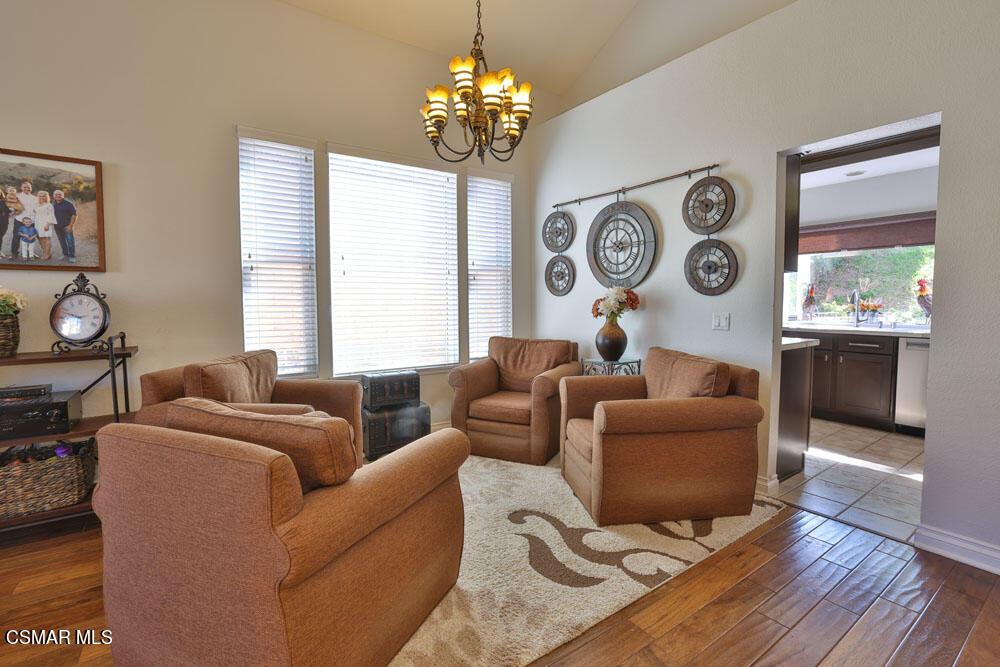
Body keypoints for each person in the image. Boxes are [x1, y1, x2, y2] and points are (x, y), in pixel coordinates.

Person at [51, 189, 77, 263]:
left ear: (63, 195)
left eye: (60, 194)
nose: (58, 196)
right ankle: (65, 254)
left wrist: (70, 226)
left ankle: (72, 256)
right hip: (57, 227)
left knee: (70, 241)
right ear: (53, 196)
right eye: (56, 194)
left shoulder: (68, 204)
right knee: (62, 241)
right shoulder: (53, 203)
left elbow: (74, 215)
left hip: (67, 226)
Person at [12, 182, 35, 258]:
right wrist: (15, 212)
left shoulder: (34, 198)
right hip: (19, 219)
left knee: (29, 237)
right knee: (16, 236)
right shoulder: (17, 196)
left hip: (31, 221)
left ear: (31, 188)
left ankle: (28, 253)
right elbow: (11, 207)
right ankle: (14, 253)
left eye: (28, 187)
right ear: (21, 188)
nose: (26, 188)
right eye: (24, 187)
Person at [33, 190, 56, 260]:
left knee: (46, 238)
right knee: (41, 238)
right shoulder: (36, 204)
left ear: (46, 197)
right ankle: (46, 252)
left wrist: (48, 224)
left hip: (46, 223)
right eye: (40, 196)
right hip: (38, 223)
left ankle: (47, 254)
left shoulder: (49, 205)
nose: (41, 197)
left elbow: (51, 215)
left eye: (43, 196)